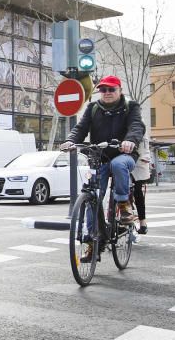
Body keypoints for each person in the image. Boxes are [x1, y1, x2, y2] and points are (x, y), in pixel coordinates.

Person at [61, 75, 145, 260]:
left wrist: (130, 141)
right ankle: (94, 243)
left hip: (125, 154)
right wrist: (70, 140)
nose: (106, 93)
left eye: (111, 89)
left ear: (119, 90)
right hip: (100, 157)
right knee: (93, 198)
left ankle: (123, 205)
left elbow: (136, 126)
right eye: (103, 89)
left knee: (118, 164)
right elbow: (81, 128)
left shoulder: (131, 107)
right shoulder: (93, 108)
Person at [130, 136, 152, 234]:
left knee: (137, 190)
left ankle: (142, 222)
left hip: (138, 159)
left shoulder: (138, 122)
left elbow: (144, 141)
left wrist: (145, 156)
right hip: (121, 154)